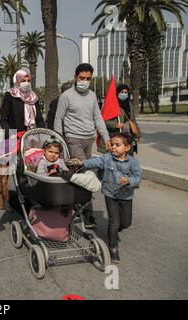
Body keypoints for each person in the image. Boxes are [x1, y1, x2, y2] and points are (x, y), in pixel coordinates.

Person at [54, 63, 112, 228]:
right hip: (73, 139)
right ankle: (88, 215)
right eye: (81, 78)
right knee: (85, 173)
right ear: (75, 77)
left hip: (89, 140)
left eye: (88, 79)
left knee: (77, 174)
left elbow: (98, 118)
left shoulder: (93, 96)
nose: (84, 81)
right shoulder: (66, 96)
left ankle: (69, 204)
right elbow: (59, 119)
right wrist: (58, 140)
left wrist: (105, 136)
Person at [77, 132, 141, 263]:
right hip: (110, 194)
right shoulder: (107, 158)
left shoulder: (134, 162)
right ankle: (113, 248)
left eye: (117, 145)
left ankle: (116, 229)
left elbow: (137, 177)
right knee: (114, 221)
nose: (113, 147)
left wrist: (129, 181)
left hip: (126, 196)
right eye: (112, 145)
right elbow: (94, 162)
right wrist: (81, 163)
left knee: (126, 222)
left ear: (127, 147)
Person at [0, 69, 45, 209]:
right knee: (9, 168)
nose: (26, 83)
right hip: (15, 138)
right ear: (17, 81)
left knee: (34, 167)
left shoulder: (33, 98)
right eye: (23, 80)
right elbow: (4, 119)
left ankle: (34, 196)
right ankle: (10, 197)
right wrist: (11, 134)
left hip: (31, 139)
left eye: (28, 80)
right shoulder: (10, 96)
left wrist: (45, 132)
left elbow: (39, 119)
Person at [98, 84, 141, 156]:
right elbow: (103, 121)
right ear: (117, 93)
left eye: (126, 92)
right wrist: (115, 125)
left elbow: (133, 120)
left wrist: (137, 135)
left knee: (128, 158)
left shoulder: (129, 104)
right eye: (122, 92)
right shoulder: (111, 105)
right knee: (116, 160)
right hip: (116, 138)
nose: (124, 94)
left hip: (128, 137)